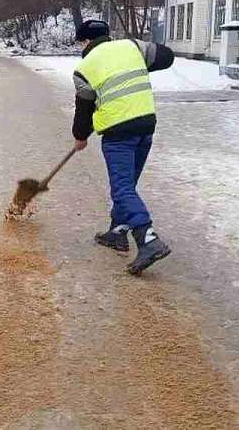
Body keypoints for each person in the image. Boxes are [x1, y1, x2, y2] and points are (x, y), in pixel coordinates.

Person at [71, 19, 175, 275]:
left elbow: (83, 110)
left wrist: (80, 136)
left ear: (86, 41)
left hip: (118, 134)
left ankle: (148, 240)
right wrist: (137, 63)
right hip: (146, 125)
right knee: (127, 184)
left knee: (122, 188)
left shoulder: (84, 69)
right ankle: (117, 232)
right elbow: (167, 57)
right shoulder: (133, 47)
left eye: (80, 43)